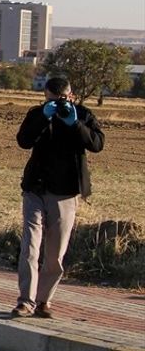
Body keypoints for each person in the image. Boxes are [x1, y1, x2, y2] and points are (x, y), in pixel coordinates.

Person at [12, 75, 104, 319]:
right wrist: (44, 116)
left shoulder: (82, 115)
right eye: (53, 100)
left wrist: (74, 124)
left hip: (65, 193)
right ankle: (26, 301)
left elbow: (97, 144)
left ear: (71, 95)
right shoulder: (37, 114)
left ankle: (44, 301)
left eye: (63, 99)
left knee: (55, 253)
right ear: (45, 97)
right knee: (30, 247)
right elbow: (23, 141)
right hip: (35, 188)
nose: (59, 103)